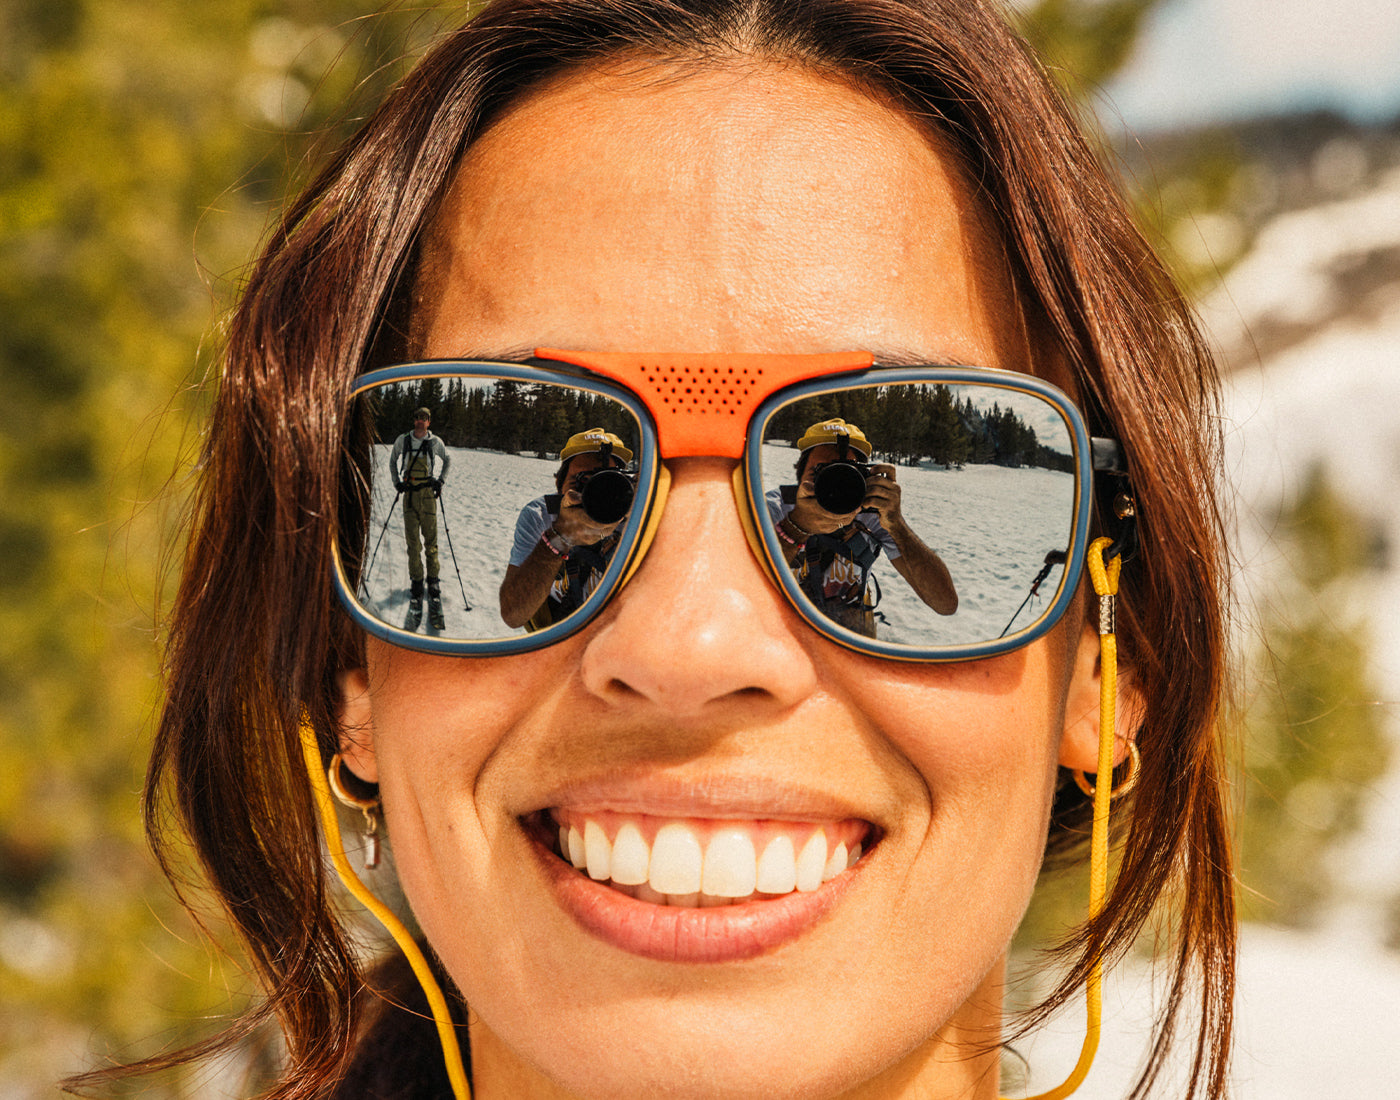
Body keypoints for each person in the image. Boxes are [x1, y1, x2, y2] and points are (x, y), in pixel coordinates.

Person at [74, 2, 1236, 1099]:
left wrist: (888, 529)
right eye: (518, 440)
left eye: (888, 441)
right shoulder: (551, 540)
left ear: (1104, 660)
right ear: (350, 672)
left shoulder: (880, 539)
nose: (687, 643)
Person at [770, 416, 957, 635]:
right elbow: (742, 589)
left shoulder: (872, 516)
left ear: (864, 477)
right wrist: (795, 525)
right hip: (785, 632)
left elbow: (945, 604)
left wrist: (897, 525)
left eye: (844, 473)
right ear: (799, 473)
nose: (833, 486)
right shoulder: (776, 507)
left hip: (854, 630)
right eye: (820, 472)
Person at [499, 427, 634, 629]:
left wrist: (647, 507)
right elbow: (513, 614)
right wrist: (560, 536)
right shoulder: (541, 515)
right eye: (582, 482)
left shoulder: (639, 512)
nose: (594, 495)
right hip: (558, 628)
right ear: (559, 483)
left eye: (607, 483)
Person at [389, 406, 451, 628]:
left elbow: (448, 460)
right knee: (412, 544)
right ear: (413, 420)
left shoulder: (435, 442)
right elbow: (392, 461)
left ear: (429, 422)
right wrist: (397, 482)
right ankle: (417, 583)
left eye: (424, 419)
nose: (420, 422)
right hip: (409, 496)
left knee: (431, 542)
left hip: (427, 496)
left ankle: (433, 582)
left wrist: (440, 481)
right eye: (417, 418)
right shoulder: (403, 441)